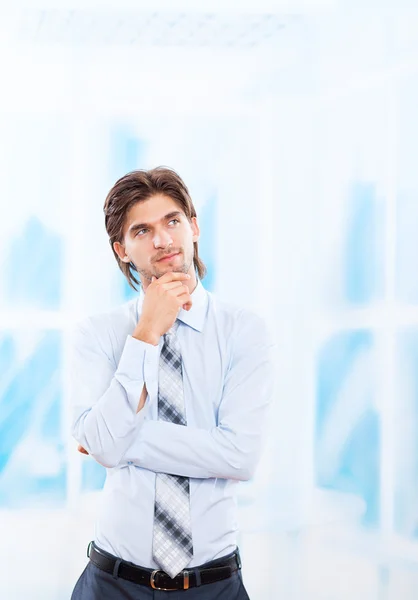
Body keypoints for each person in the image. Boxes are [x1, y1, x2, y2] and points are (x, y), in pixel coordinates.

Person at [70, 167, 275, 599]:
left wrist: (121, 441)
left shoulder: (244, 330)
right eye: (142, 230)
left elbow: (240, 456)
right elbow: (105, 445)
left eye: (173, 221)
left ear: (194, 227)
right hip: (112, 583)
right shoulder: (98, 334)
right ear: (122, 249)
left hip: (213, 585)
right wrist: (145, 335)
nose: (162, 240)